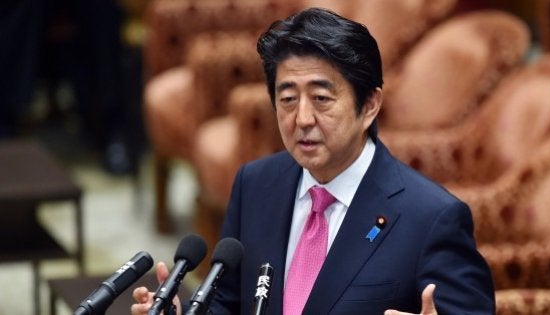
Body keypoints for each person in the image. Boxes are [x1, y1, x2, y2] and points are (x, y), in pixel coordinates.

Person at [132, 7, 495, 315]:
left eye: (321, 99)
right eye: (287, 99)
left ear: (369, 105)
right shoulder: (256, 185)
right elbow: (228, 303)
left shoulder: (432, 218)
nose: (302, 118)